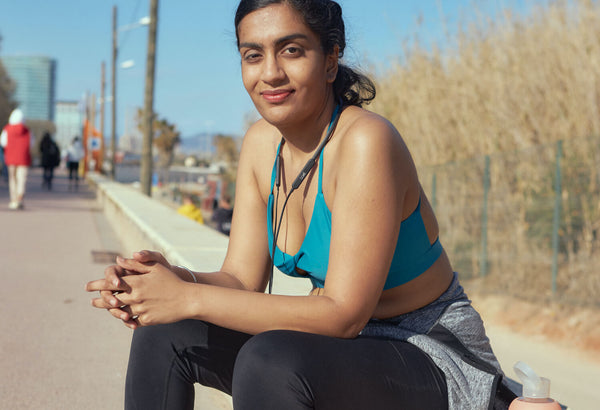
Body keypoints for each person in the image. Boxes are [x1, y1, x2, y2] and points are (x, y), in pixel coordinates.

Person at [86, 1, 514, 409]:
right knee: (164, 334)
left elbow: (344, 314)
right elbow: (240, 278)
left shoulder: (366, 142)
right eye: (253, 55)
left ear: (330, 59)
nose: (270, 73)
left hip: (430, 352)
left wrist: (189, 298)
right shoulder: (260, 145)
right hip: (345, 349)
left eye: (291, 50)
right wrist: (168, 281)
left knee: (270, 360)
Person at [0, 108, 32, 210]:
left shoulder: (7, 129)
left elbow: (3, 142)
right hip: (24, 159)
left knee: (12, 179)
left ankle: (13, 200)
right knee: (21, 179)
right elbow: (32, 143)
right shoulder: (27, 130)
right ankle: (20, 196)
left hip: (11, 158)